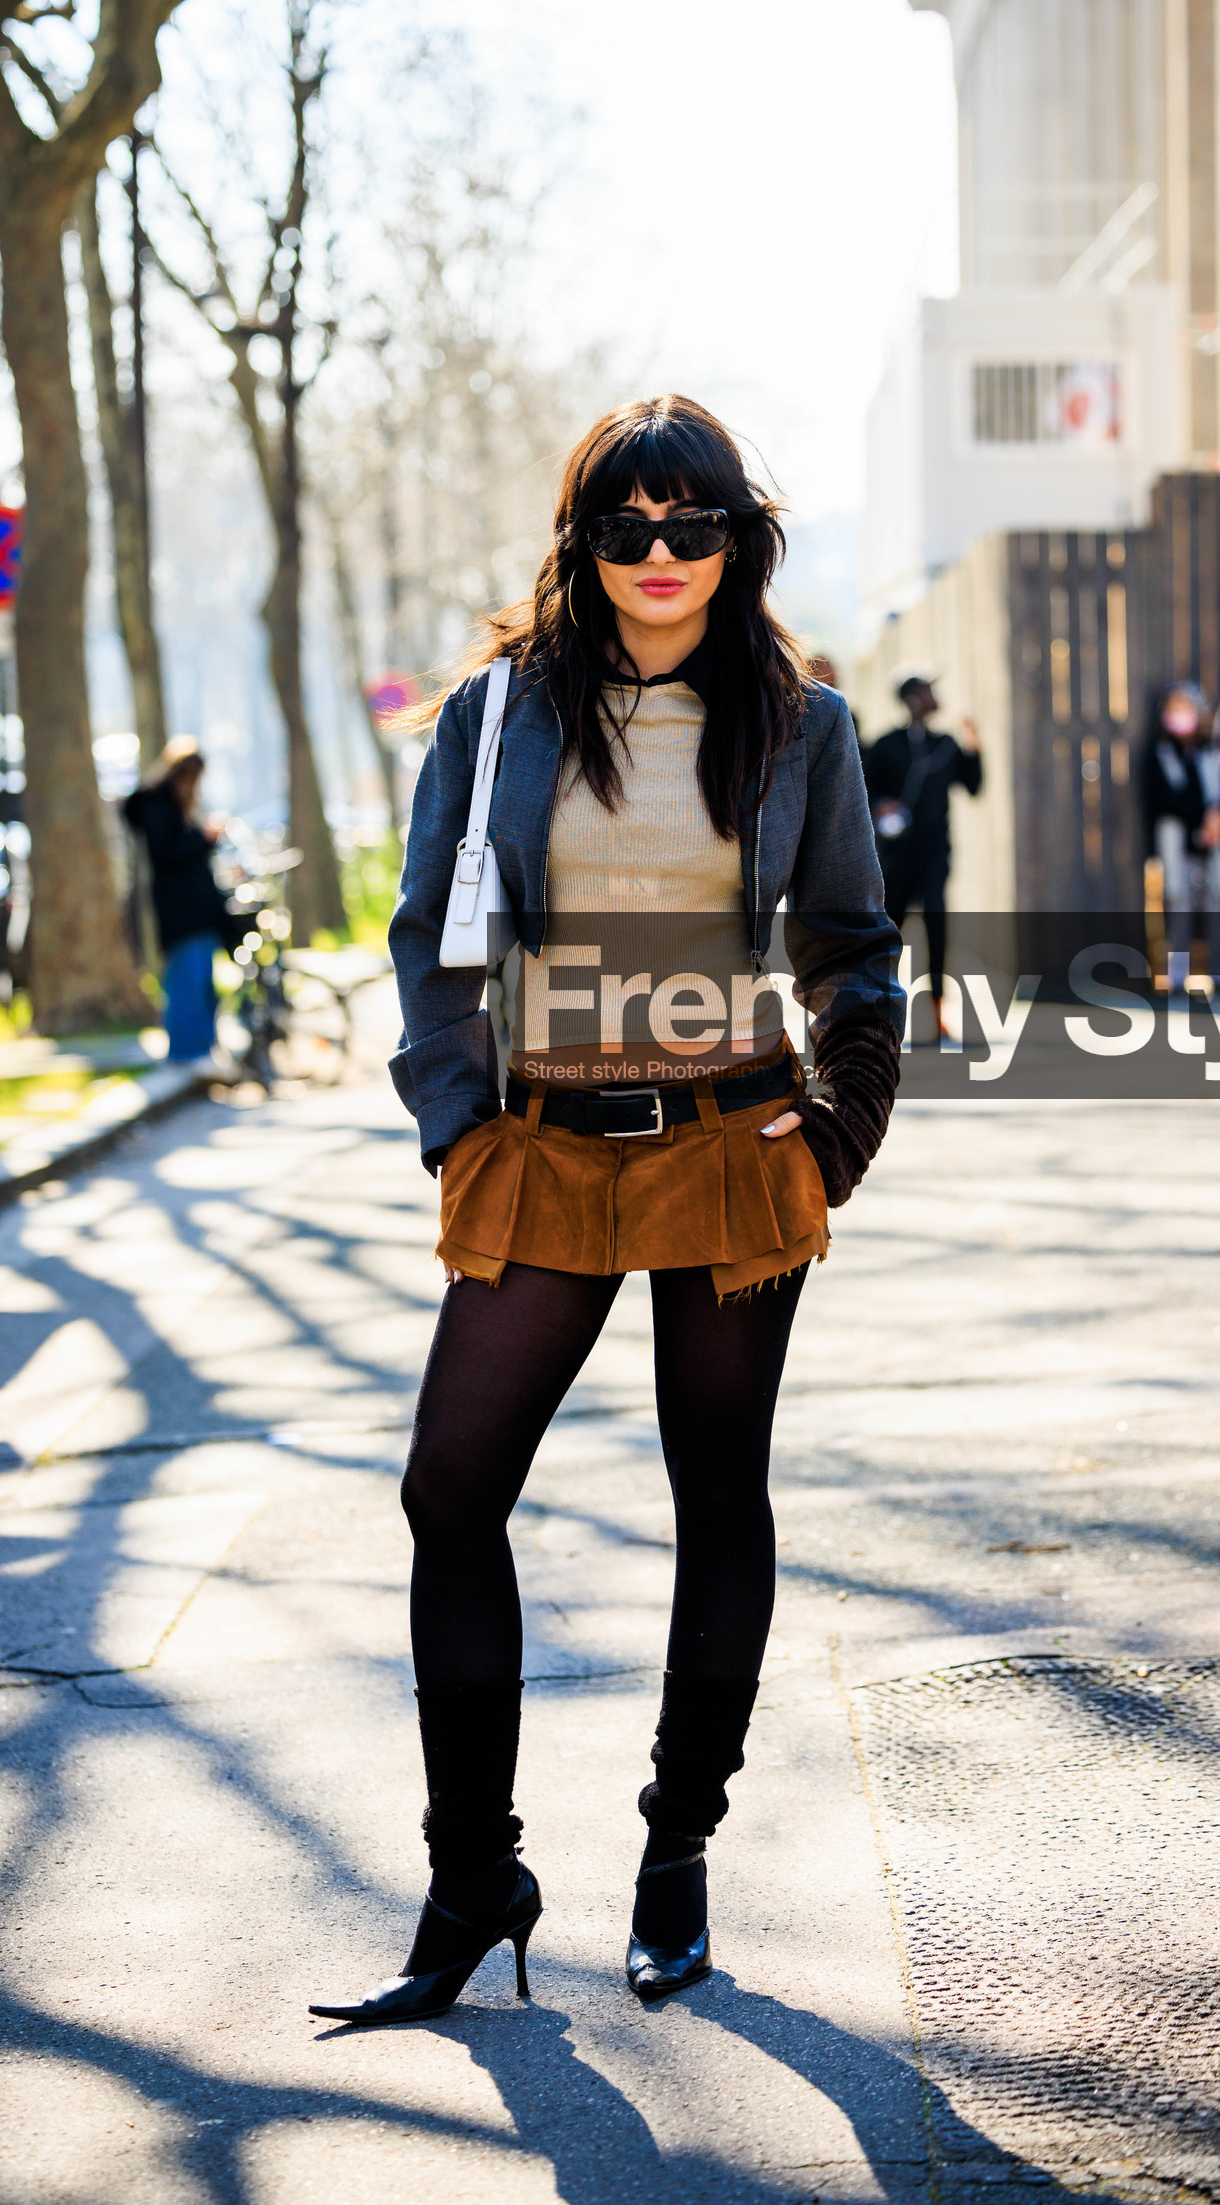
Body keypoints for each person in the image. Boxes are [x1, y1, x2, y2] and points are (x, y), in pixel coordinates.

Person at [311, 395, 903, 2027]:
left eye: (689, 525)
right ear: (583, 538)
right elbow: (429, 932)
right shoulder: (499, 712)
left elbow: (855, 945)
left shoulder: (801, 725)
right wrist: (455, 1126)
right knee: (449, 1485)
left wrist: (838, 1125)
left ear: (737, 538)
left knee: (718, 1488)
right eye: (624, 525)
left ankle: (676, 1850)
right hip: (548, 1142)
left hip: (729, 1141)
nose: (657, 555)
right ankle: (471, 1870)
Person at [861, 669, 981, 1039]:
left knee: (936, 926)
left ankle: (938, 1015)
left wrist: (975, 746)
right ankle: (881, 1016)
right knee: (889, 933)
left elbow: (974, 786)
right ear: (912, 699)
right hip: (895, 858)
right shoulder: (884, 745)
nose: (934, 697)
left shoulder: (945, 744)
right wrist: (882, 807)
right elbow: (865, 793)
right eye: (927, 691)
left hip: (934, 852)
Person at [122, 738, 232, 1063]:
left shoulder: (173, 805)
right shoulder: (160, 805)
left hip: (196, 910)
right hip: (182, 911)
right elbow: (166, 853)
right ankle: (187, 1052)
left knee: (202, 984)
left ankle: (201, 1047)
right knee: (187, 982)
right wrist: (202, 838)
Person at [1143, 683, 1220, 981]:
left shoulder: (1209, 752)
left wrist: (1214, 819)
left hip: (1211, 844)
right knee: (1179, 906)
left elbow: (1218, 793)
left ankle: (1218, 973)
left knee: (1217, 904)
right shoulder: (1160, 754)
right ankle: (1177, 976)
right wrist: (1198, 818)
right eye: (1174, 708)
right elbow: (1165, 800)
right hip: (1177, 842)